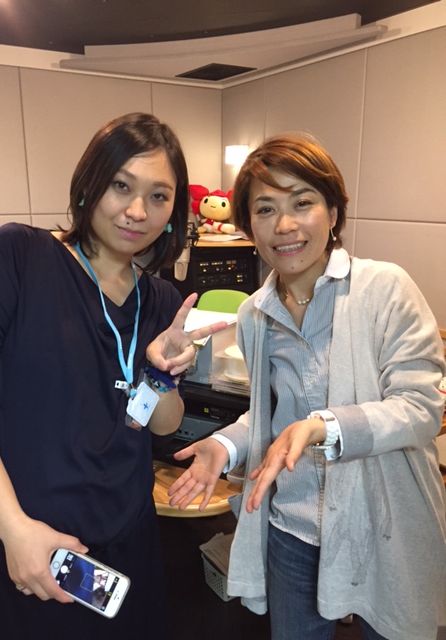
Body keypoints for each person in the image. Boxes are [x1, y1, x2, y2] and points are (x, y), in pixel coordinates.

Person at [168, 133, 446, 640]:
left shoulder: (384, 289)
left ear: (333, 213)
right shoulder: (255, 315)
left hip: (381, 523)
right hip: (292, 530)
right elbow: (272, 416)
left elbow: (420, 408)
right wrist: (224, 445)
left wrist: (324, 426)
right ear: (249, 226)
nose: (285, 225)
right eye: (266, 209)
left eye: (303, 202)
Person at [0, 112, 227, 639]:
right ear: (90, 185)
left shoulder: (161, 299)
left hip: (123, 541)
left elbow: (159, 426)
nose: (137, 211)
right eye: (121, 186)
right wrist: (15, 530)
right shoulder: (22, 255)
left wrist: (164, 375)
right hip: (18, 542)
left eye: (158, 196)